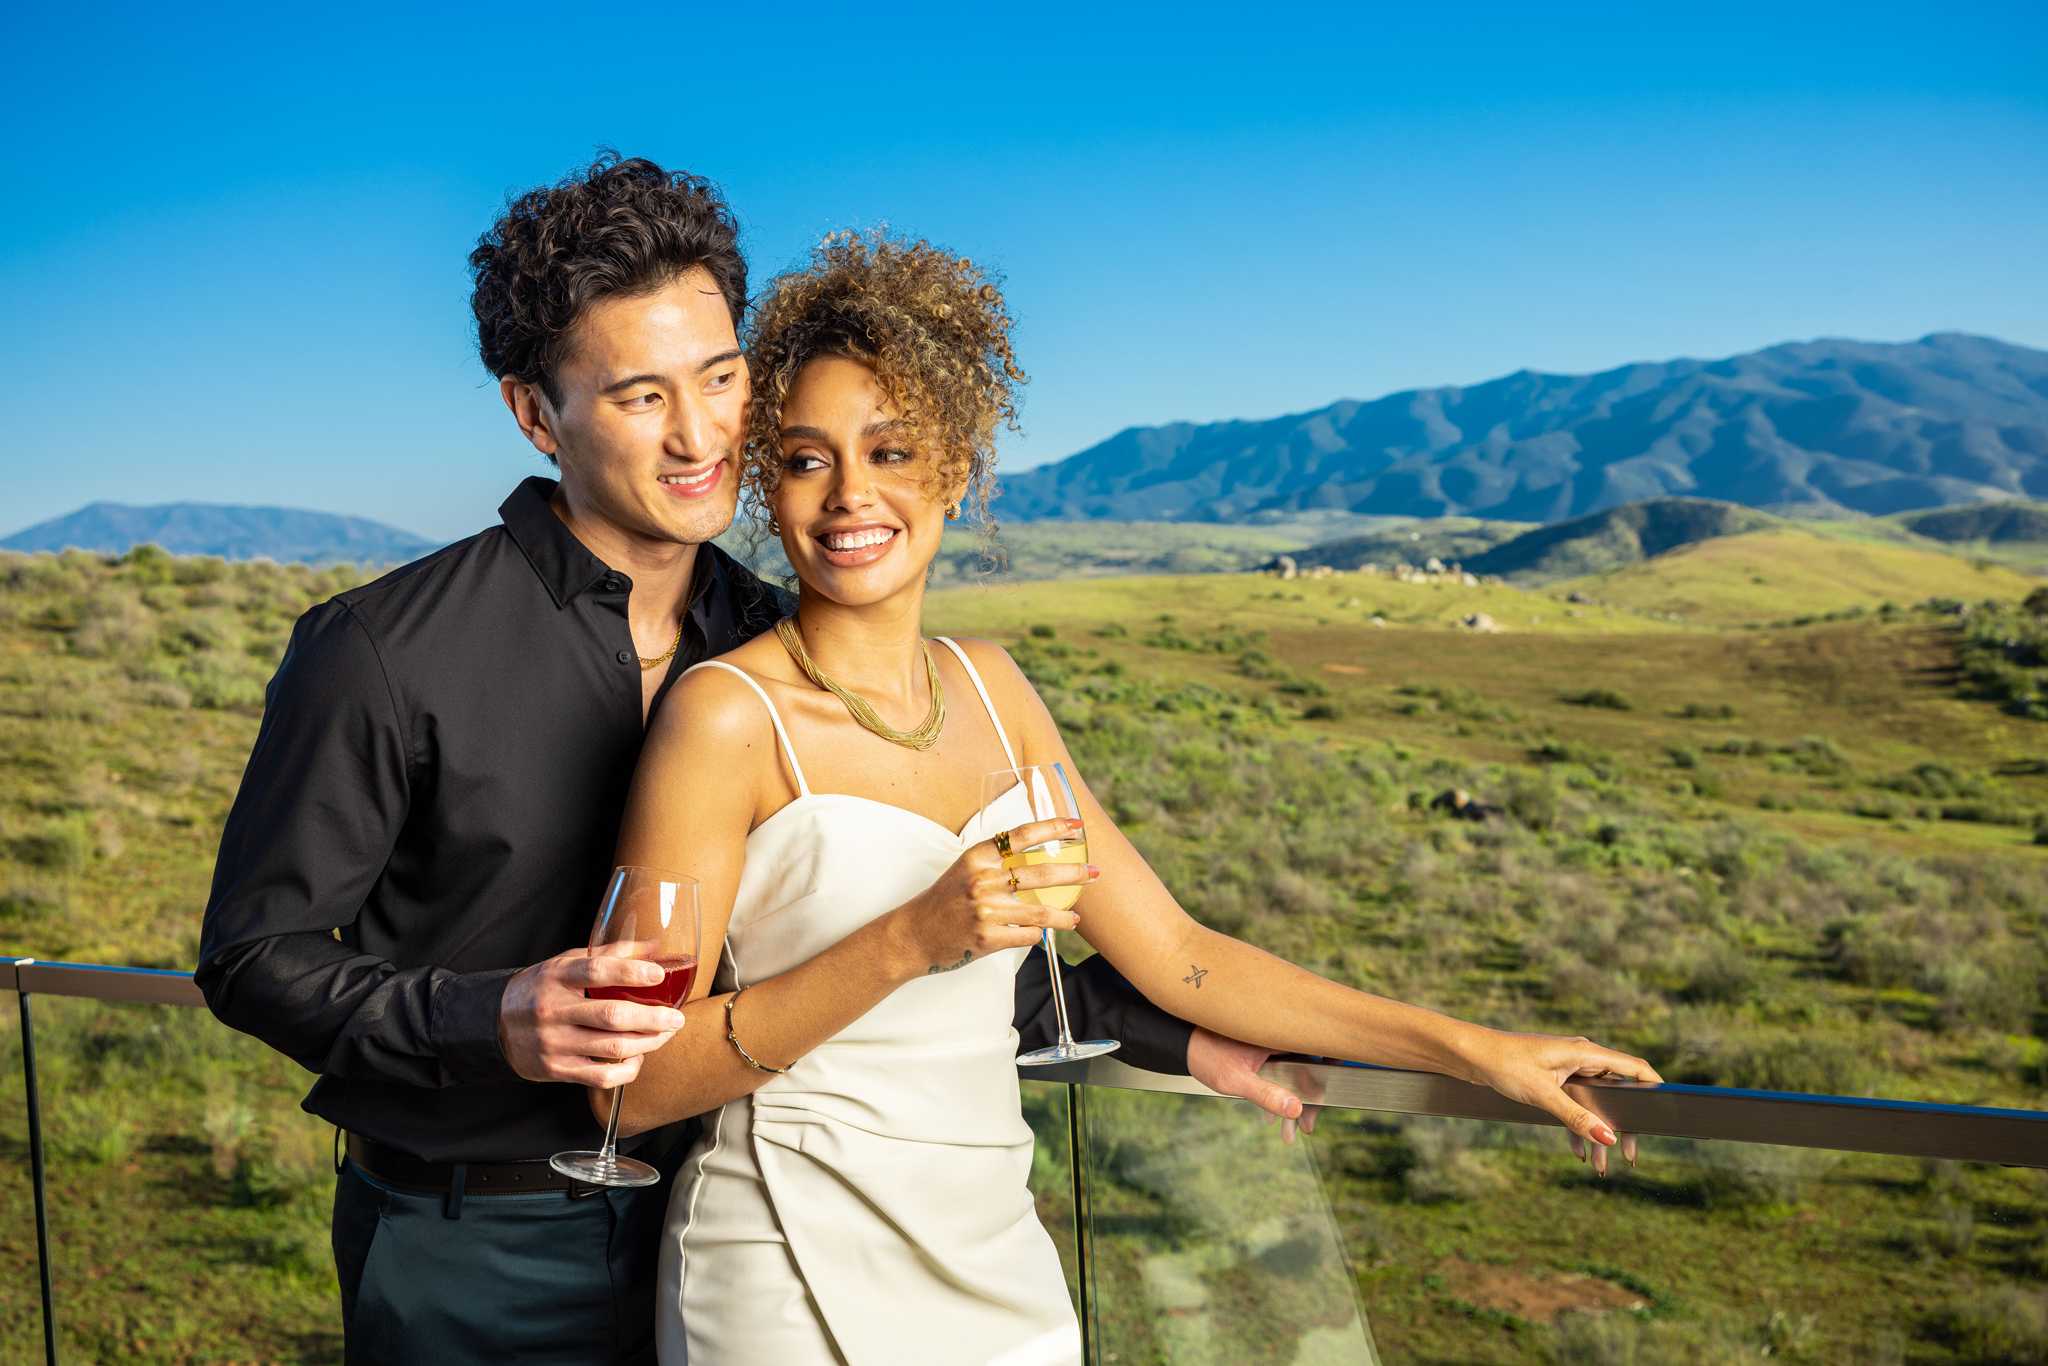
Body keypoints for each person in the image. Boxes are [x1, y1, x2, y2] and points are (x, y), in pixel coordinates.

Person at [194, 156, 1264, 1365]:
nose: (700, 434)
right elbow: (250, 956)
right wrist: (486, 1015)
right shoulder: (382, 649)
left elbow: (891, 936)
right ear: (536, 415)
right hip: (474, 1241)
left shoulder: (769, 642)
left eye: (719, 376)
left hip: (726, 1219)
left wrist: (1181, 1041)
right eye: (641, 396)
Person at [609, 233, 1664, 1365]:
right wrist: (912, 938)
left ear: (956, 470)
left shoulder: (993, 689)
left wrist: (1472, 1050)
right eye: (808, 458)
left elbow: (1181, 955)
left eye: (892, 450)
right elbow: (636, 1080)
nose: (850, 494)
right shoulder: (722, 717)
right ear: (768, 480)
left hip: (989, 1251)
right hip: (780, 1264)